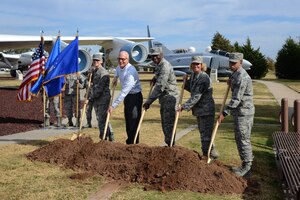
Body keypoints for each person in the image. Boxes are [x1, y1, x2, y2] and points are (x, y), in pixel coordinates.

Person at [218, 52, 255, 177]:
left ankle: (248, 167)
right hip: (239, 113)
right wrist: (231, 81)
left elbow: (236, 99)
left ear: (241, 62)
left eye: (234, 63)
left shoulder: (242, 77)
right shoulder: (235, 74)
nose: (232, 65)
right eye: (230, 63)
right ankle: (244, 164)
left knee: (243, 139)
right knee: (239, 138)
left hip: (244, 113)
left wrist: (224, 112)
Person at [180, 56, 218, 159]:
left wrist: (184, 106)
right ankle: (212, 153)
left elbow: (197, 95)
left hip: (206, 110)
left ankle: (207, 155)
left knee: (206, 134)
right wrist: (186, 83)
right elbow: (193, 89)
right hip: (199, 110)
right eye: (194, 64)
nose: (196, 66)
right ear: (191, 65)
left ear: (202, 65)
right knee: (204, 133)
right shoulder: (193, 75)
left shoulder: (203, 78)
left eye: (198, 64)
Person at [143, 47, 179, 146]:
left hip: (170, 97)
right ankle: (169, 144)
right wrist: (154, 78)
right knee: (164, 123)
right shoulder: (159, 65)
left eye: (156, 56)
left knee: (168, 124)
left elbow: (160, 87)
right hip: (164, 98)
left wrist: (149, 101)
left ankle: (172, 145)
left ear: (161, 55)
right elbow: (159, 77)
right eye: (152, 56)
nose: (154, 58)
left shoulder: (165, 66)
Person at [108, 51, 143, 144]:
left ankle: (134, 143)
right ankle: (129, 141)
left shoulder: (130, 71)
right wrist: (115, 77)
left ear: (128, 60)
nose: (121, 61)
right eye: (119, 59)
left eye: (123, 59)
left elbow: (123, 92)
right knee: (128, 119)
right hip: (128, 97)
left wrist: (113, 106)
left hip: (135, 97)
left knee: (134, 120)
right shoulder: (119, 67)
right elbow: (117, 70)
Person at [89, 53, 114, 141]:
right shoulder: (94, 71)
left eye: (97, 60)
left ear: (101, 61)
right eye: (94, 60)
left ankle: (104, 137)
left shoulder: (103, 72)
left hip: (103, 99)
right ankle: (109, 136)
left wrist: (91, 97)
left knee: (102, 119)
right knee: (102, 118)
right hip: (97, 99)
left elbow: (99, 88)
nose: (95, 62)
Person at [43, 52, 61, 127]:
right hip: (46, 90)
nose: (46, 60)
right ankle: (46, 121)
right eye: (45, 58)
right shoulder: (42, 69)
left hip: (54, 90)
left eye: (47, 58)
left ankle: (58, 121)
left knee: (55, 105)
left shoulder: (55, 67)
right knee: (46, 106)